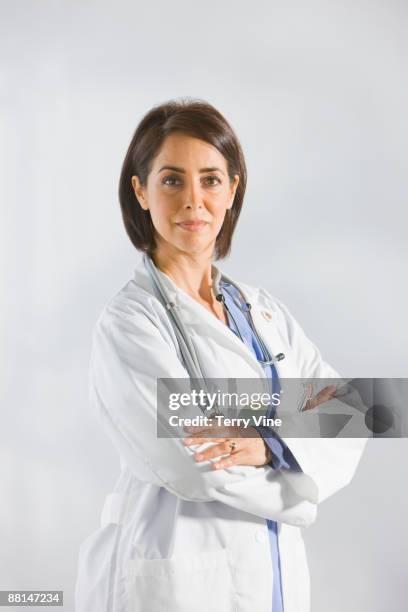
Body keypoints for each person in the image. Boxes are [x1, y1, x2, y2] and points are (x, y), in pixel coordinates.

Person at [75, 98, 367, 612]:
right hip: (178, 580)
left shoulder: (264, 311)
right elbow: (194, 464)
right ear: (140, 191)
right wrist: (300, 468)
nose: (194, 200)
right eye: (171, 180)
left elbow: (356, 411)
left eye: (211, 179)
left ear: (232, 190)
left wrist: (266, 439)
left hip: (275, 580)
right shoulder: (129, 323)